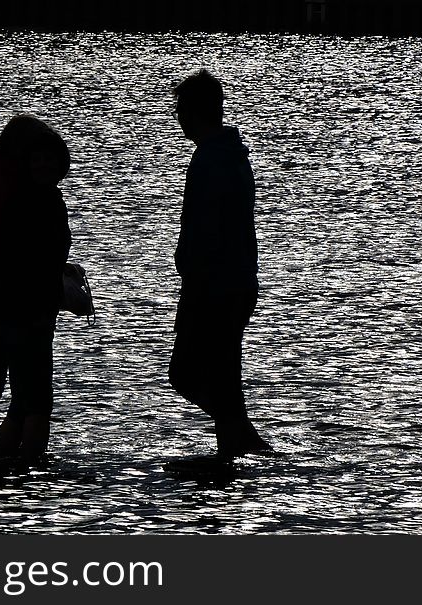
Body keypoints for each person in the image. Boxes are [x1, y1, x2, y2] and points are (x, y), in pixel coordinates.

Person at [168, 69, 271, 458]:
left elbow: (208, 227)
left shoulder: (213, 159)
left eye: (180, 109)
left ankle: (240, 435)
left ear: (194, 111)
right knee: (223, 374)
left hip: (214, 284)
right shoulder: (228, 154)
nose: (177, 116)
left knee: (187, 372)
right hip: (234, 280)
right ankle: (234, 447)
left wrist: (190, 265)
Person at [0, 114, 71, 459]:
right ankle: (27, 460)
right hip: (23, 303)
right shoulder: (27, 192)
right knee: (32, 395)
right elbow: (32, 252)